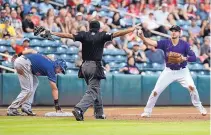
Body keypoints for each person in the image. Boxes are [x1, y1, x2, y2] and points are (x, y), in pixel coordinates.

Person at [51, 20, 139, 121]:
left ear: (89, 27)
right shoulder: (102, 35)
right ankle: (79, 109)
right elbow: (118, 33)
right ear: (99, 28)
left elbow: (68, 35)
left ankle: (99, 113)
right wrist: (131, 29)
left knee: (96, 89)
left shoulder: (84, 34)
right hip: (94, 66)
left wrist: (53, 33)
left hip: (84, 66)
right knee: (93, 90)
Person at [137, 25, 207, 117]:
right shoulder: (165, 43)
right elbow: (152, 42)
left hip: (182, 71)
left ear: (179, 33)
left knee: (192, 87)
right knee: (155, 91)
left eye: (176, 31)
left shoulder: (185, 44)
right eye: (172, 30)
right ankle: (147, 111)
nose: (173, 32)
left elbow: (194, 58)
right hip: (168, 71)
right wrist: (142, 37)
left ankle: (200, 107)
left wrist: (184, 58)